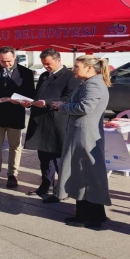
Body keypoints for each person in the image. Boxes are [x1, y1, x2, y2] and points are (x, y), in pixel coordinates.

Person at [51, 56, 111, 229]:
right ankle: (92, 214)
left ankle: (88, 216)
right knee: (84, 173)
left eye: (77, 66)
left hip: (85, 134)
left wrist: (62, 107)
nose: (73, 70)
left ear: (89, 68)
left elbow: (85, 107)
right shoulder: (91, 83)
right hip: (83, 133)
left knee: (84, 173)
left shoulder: (93, 84)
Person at [20, 48, 81, 202]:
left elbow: (68, 98)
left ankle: (61, 190)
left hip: (57, 121)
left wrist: (46, 103)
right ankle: (45, 184)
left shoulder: (70, 76)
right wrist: (29, 101)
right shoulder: (45, 75)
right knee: (44, 156)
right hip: (41, 121)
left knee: (58, 158)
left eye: (48, 64)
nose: (46, 67)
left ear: (58, 60)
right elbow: (38, 95)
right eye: (44, 64)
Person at [0, 47, 35, 189]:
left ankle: (12, 174)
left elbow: (30, 94)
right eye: (3, 61)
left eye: (9, 61)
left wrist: (19, 100)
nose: (6, 64)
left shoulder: (25, 73)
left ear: (14, 57)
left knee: (15, 147)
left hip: (15, 114)